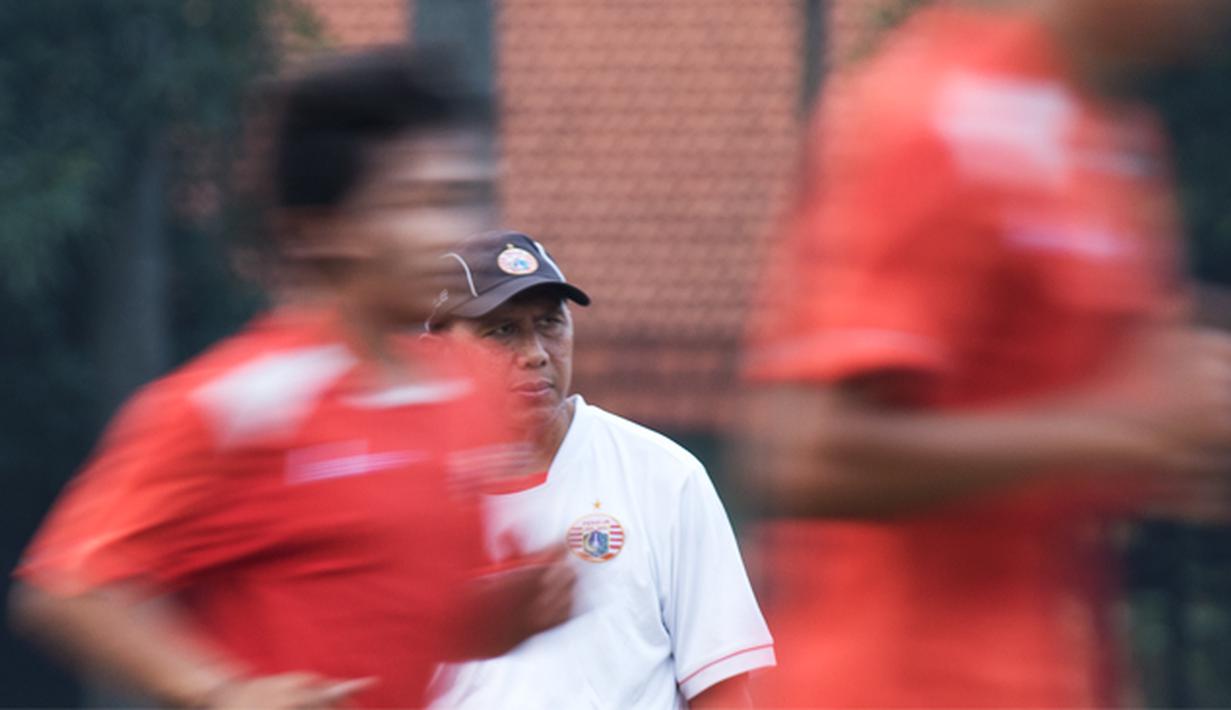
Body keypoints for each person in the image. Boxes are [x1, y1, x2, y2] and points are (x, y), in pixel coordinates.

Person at [9, 48, 574, 709]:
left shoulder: (463, 402)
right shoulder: (237, 403)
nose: (450, 231)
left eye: (459, 198)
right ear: (320, 229)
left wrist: (512, 613)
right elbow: (65, 589)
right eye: (417, 201)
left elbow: (427, 618)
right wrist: (220, 691)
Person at [741, 1, 1231, 707]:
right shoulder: (927, 115)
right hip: (895, 684)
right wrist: (1124, 431)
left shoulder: (1110, 133)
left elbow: (1135, 389)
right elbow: (805, 453)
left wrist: (1175, 437)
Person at [425, 230, 775, 709]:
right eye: (502, 330)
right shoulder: (401, 494)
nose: (536, 353)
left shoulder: (663, 476)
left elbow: (722, 688)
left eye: (550, 323)